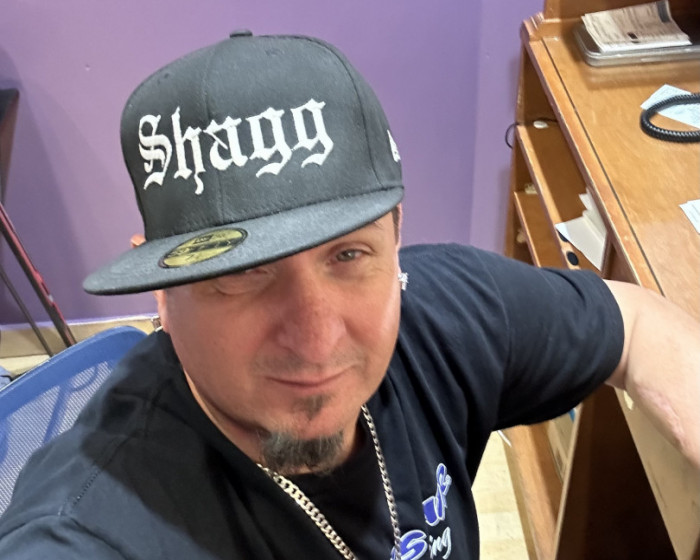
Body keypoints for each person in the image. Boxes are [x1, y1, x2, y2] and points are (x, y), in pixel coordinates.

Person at [0, 31, 698, 560]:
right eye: (241, 272)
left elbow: (634, 322)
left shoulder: (444, 311)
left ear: (396, 239)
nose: (317, 338)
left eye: (348, 255)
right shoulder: (91, 528)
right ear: (162, 292)